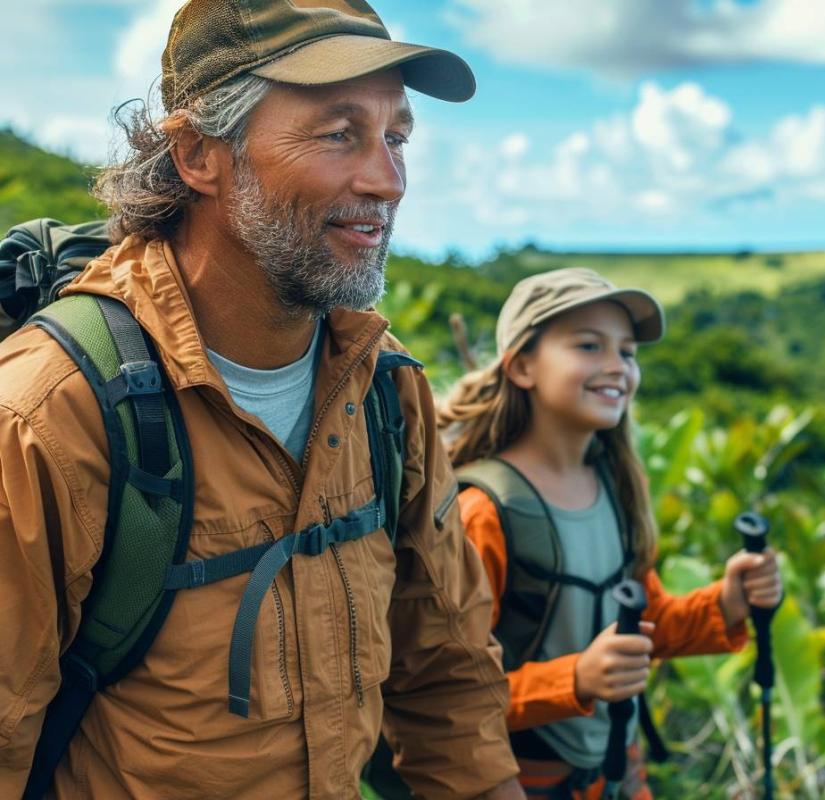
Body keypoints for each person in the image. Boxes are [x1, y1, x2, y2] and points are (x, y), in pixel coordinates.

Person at [0, 1, 522, 797]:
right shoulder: (52, 415)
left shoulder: (384, 387)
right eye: (338, 132)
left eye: (397, 137)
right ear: (198, 153)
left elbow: (449, 680)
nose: (386, 179)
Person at [437, 268, 784, 798]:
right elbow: (445, 698)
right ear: (522, 365)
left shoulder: (615, 487)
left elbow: (646, 627)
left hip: (617, 775)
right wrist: (575, 679)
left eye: (627, 352)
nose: (616, 367)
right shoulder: (484, 513)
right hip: (520, 783)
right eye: (588, 345)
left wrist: (729, 602)